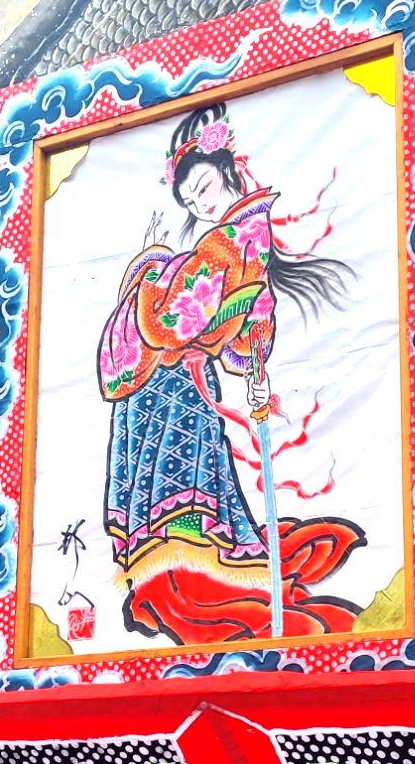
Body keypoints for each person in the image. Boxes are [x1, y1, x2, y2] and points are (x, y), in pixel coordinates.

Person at [95, 100, 363, 646]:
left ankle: (185, 574)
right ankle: (183, 564)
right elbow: (247, 316)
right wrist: (251, 360)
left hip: (171, 380)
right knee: (187, 475)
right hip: (175, 379)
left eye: (204, 188)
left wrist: (149, 266)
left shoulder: (228, 241)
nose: (201, 203)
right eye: (191, 200)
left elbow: (172, 317)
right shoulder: (239, 238)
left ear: (229, 170)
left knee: (179, 476)